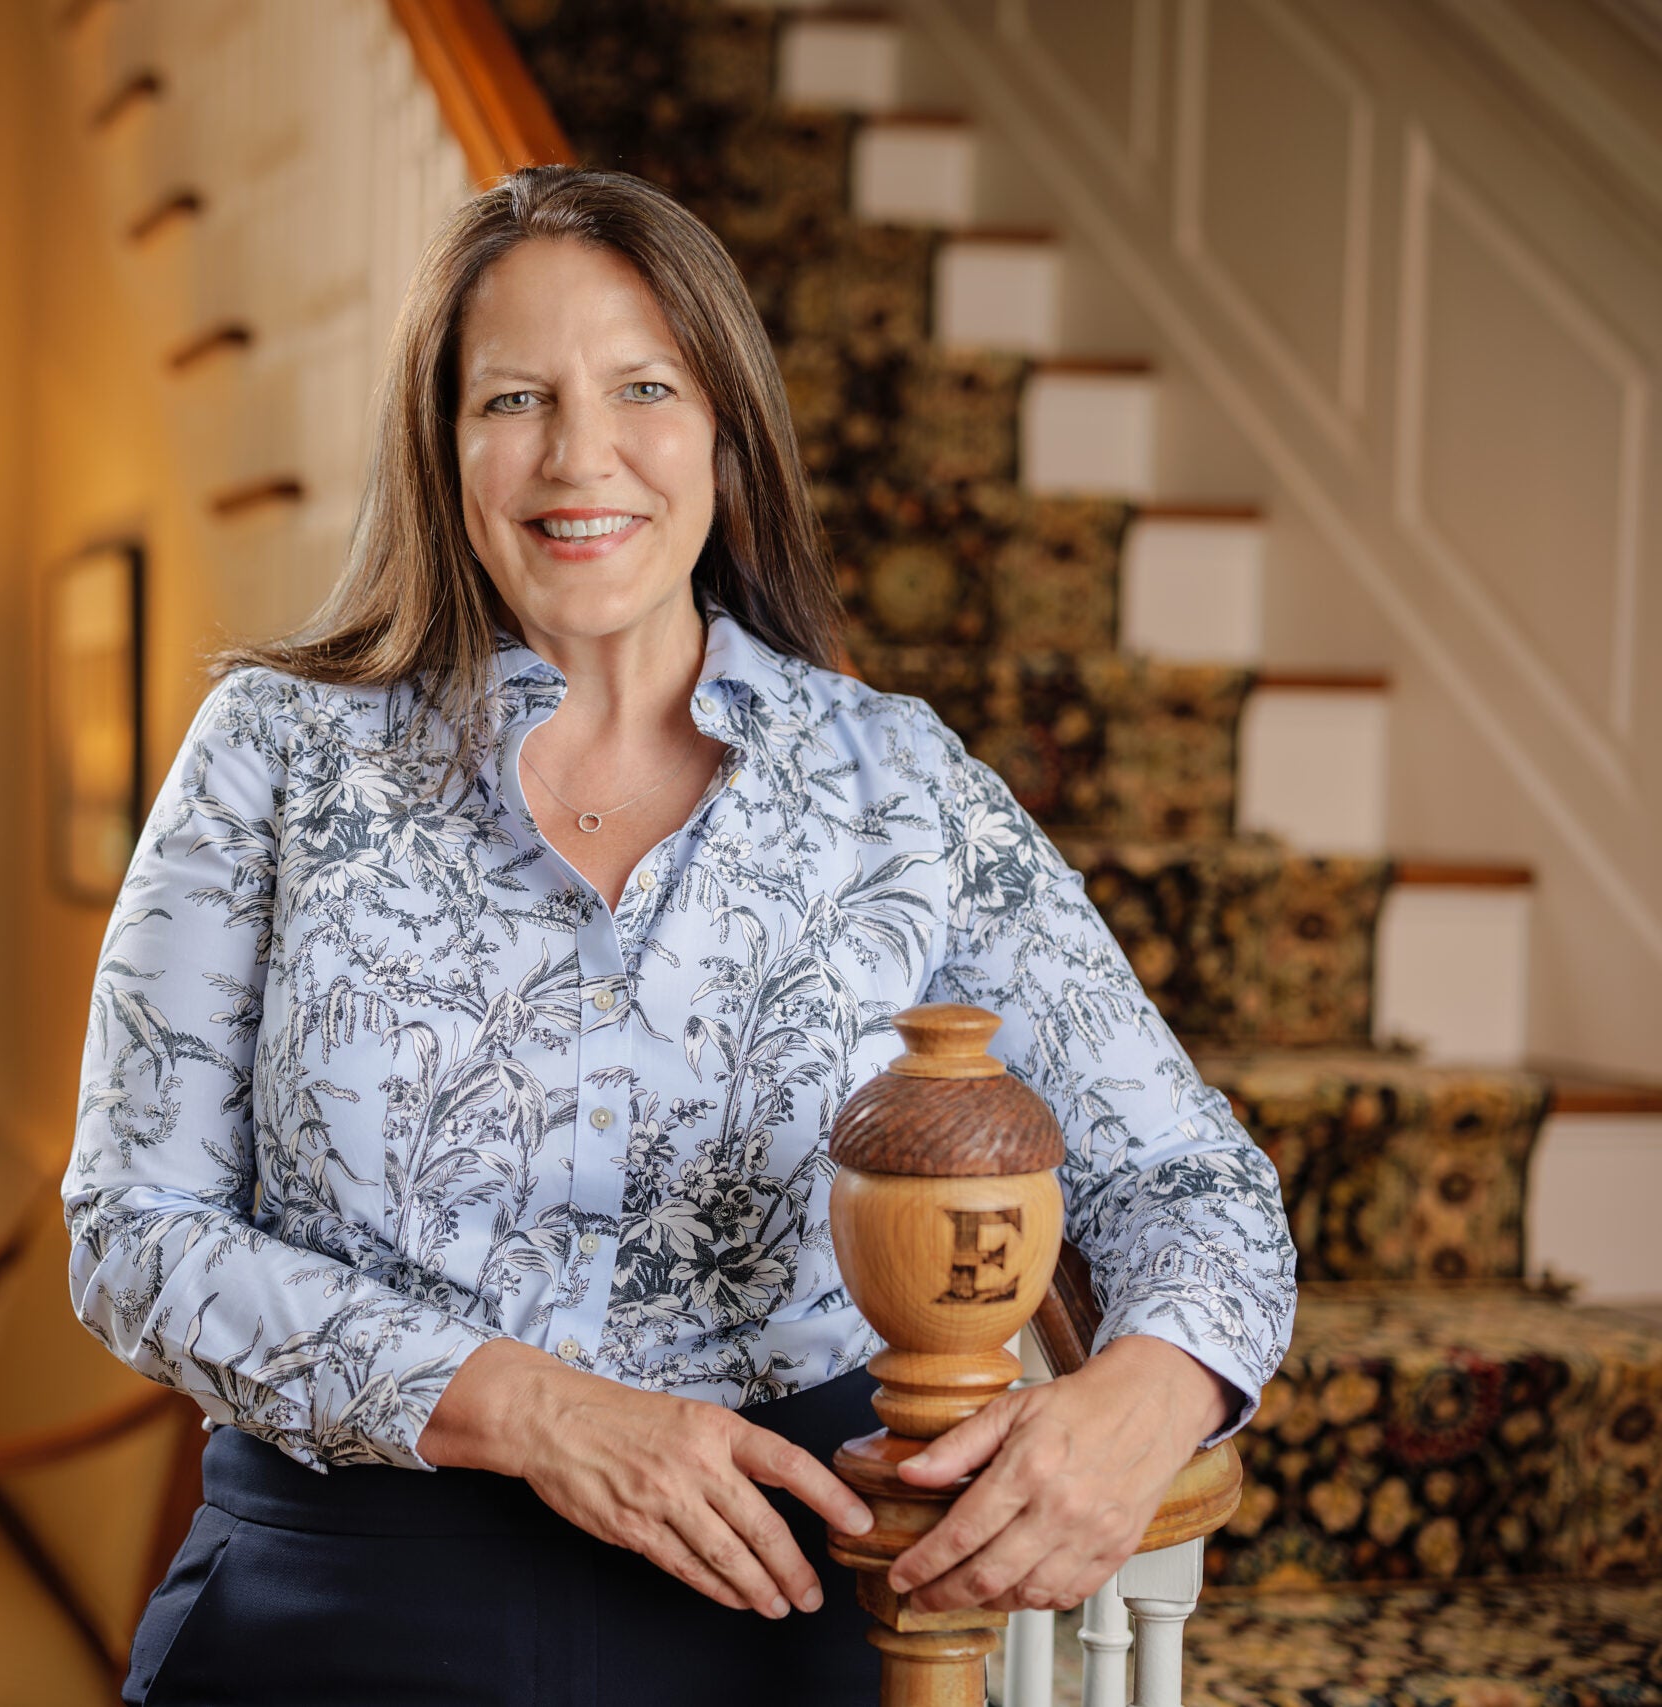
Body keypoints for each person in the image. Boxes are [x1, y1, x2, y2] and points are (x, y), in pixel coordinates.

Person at [67, 165, 1295, 1705]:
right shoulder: (274, 754)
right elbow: (133, 1232)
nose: (581, 457)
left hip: (788, 1613)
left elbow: (1188, 1179)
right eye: (514, 398)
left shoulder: (895, 783)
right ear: (441, 443)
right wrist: (538, 1412)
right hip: (344, 1600)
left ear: (726, 425)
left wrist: (1148, 1391)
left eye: (644, 386)